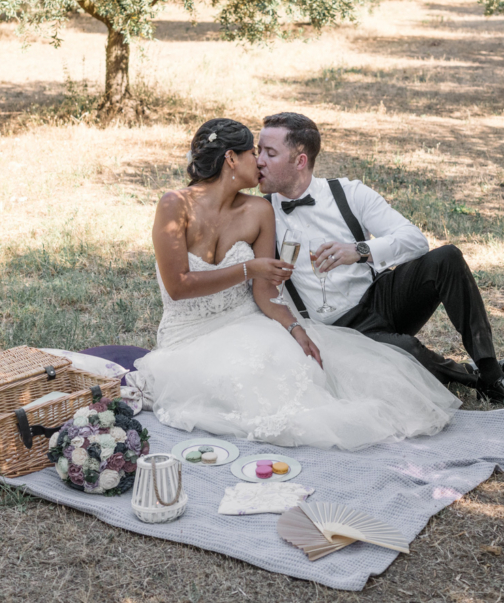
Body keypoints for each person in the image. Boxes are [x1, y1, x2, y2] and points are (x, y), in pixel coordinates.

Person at [131, 118, 460, 450]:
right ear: (231, 159)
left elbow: (264, 292)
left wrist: (294, 328)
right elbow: (179, 286)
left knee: (299, 371)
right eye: (252, 153)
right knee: (233, 380)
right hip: (186, 334)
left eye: (264, 153)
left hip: (244, 323)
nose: (258, 161)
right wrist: (249, 268)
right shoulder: (174, 204)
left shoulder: (259, 210)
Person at [257, 111, 504, 416]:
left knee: (446, 257)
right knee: (408, 353)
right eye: (258, 151)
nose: (259, 161)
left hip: (381, 299)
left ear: (300, 161)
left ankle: (492, 374)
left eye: (270, 153)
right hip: (337, 330)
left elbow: (414, 240)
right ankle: (475, 376)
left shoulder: (348, 193)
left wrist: (359, 250)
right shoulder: (260, 213)